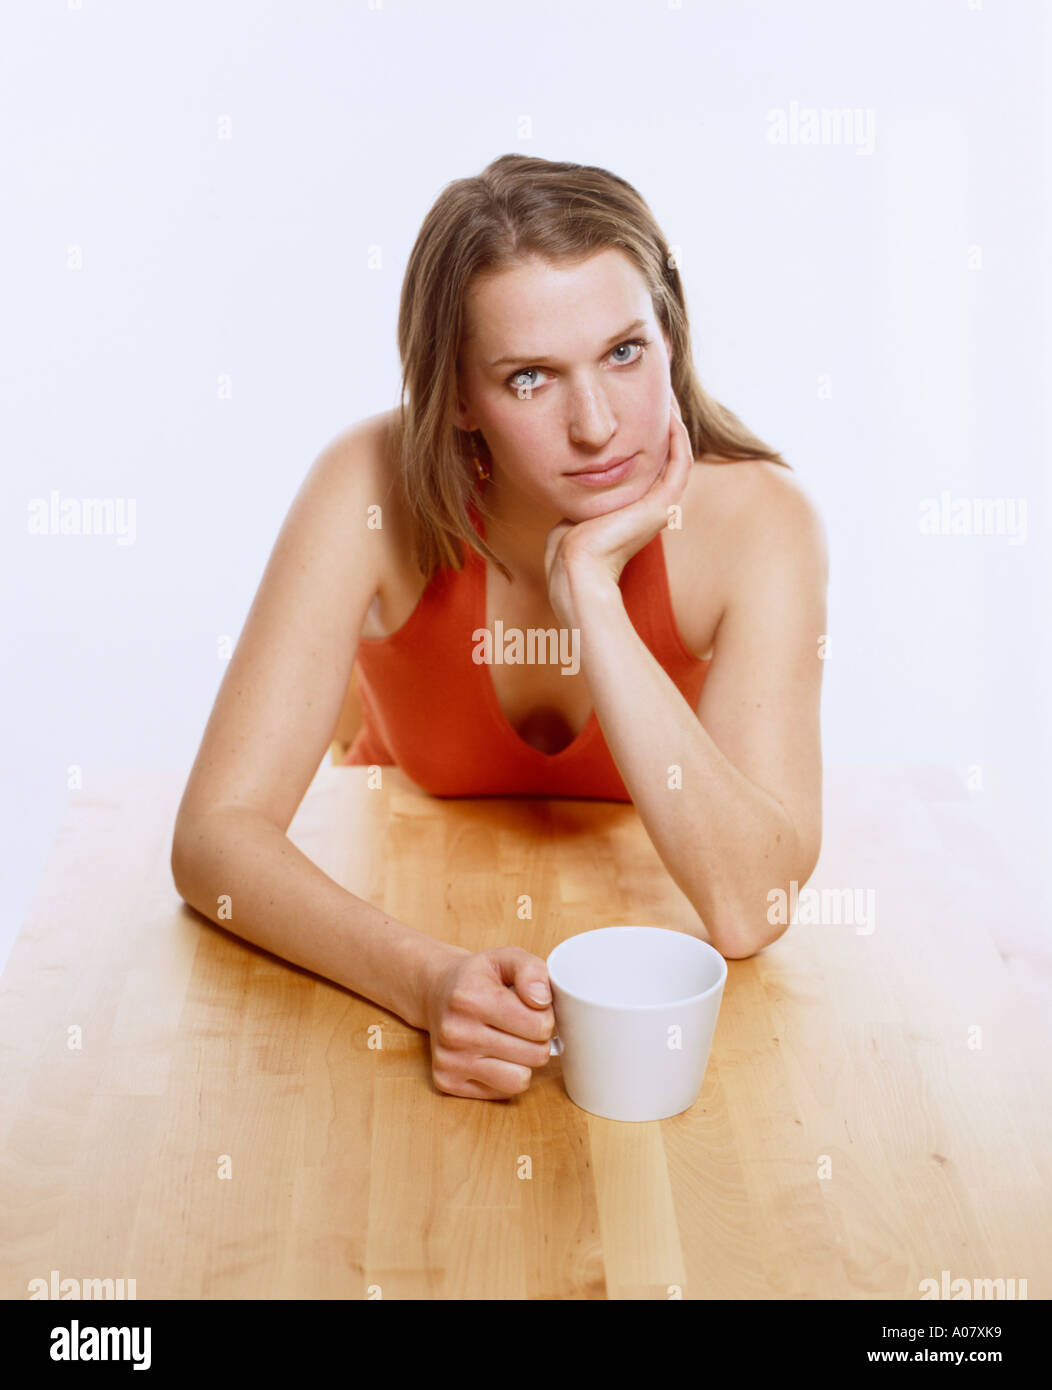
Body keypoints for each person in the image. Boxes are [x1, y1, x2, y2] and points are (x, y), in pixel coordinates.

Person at [171, 153, 828, 1104]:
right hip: (395, 921)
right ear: (461, 399)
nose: (598, 425)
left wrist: (592, 596)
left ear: (672, 337)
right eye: (530, 379)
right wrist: (428, 980)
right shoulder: (366, 487)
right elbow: (212, 841)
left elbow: (747, 907)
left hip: (642, 1002)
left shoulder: (761, 521)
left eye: (624, 351)